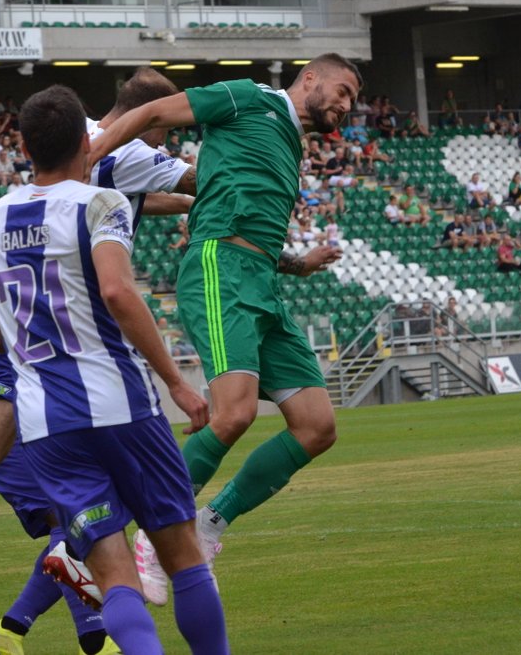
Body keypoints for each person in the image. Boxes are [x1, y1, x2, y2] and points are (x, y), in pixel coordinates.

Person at [0, 85, 226, 655]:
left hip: (45, 421)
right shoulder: (101, 203)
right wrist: (176, 381)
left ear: (25, 147)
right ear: (87, 142)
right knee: (182, 558)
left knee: (112, 576)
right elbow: (117, 290)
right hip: (120, 403)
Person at [88, 53, 355, 604]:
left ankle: (209, 525)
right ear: (310, 78)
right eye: (343, 90)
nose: (346, 106)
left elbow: (239, 212)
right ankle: (159, 533)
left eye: (352, 99)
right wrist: (85, 156)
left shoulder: (288, 142)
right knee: (233, 412)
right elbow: (155, 109)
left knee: (317, 425)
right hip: (220, 268)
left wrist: (298, 264)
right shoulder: (250, 97)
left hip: (261, 282)